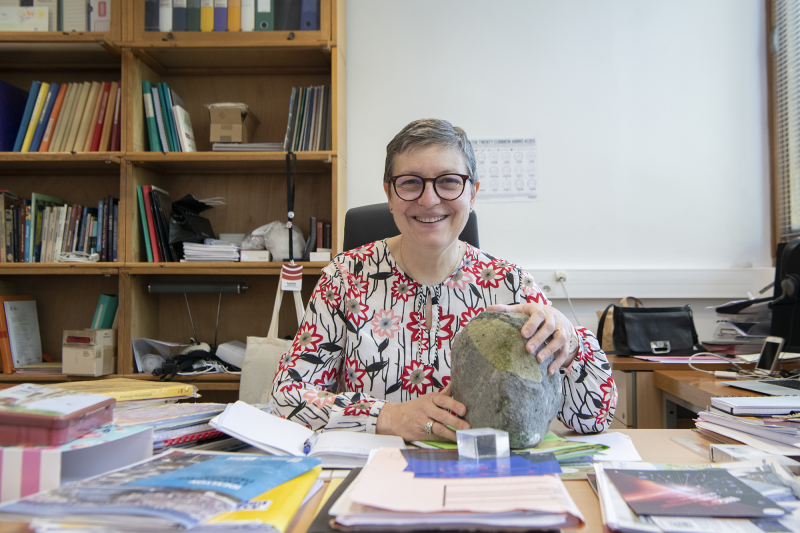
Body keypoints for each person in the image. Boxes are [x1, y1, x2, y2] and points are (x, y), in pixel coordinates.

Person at [271, 119, 616, 441]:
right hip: (372, 474)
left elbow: (596, 417)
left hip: (481, 478)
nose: (429, 199)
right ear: (390, 195)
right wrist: (389, 416)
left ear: (472, 193)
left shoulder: (511, 284)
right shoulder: (343, 279)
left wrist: (570, 346)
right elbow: (287, 397)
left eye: (448, 181)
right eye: (410, 182)